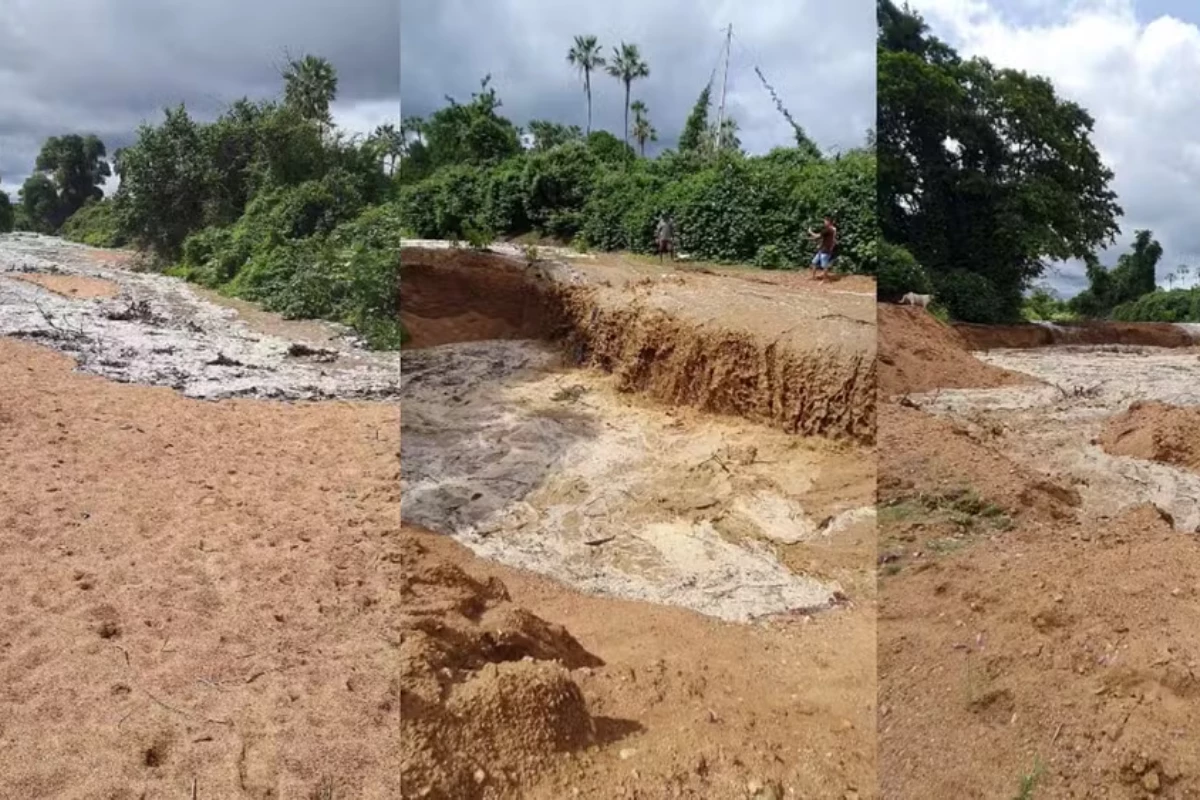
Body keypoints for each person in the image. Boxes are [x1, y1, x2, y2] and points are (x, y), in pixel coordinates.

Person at [807, 216, 837, 280]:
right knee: (814, 262)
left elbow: (818, 235)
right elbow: (823, 238)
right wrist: (812, 238)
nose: (824, 222)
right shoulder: (830, 229)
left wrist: (810, 232)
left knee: (824, 265)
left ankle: (825, 279)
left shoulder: (828, 229)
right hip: (822, 249)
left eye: (825, 221)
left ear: (829, 222)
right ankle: (813, 277)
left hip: (826, 250)